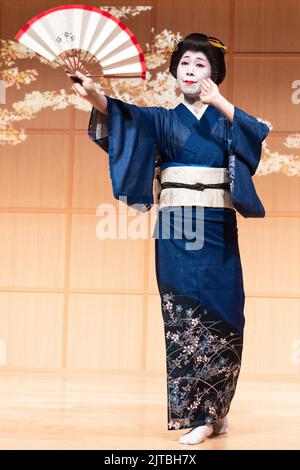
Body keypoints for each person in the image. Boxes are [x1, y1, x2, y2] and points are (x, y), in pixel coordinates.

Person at [68, 33, 269, 445]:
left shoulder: (226, 118)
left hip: (217, 227)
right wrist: (93, 94)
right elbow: (121, 117)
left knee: (226, 312)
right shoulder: (161, 119)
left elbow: (258, 132)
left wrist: (220, 105)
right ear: (176, 73)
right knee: (183, 315)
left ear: (214, 74)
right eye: (185, 63)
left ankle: (217, 409)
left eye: (200, 64)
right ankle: (198, 416)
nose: (191, 70)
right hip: (177, 227)